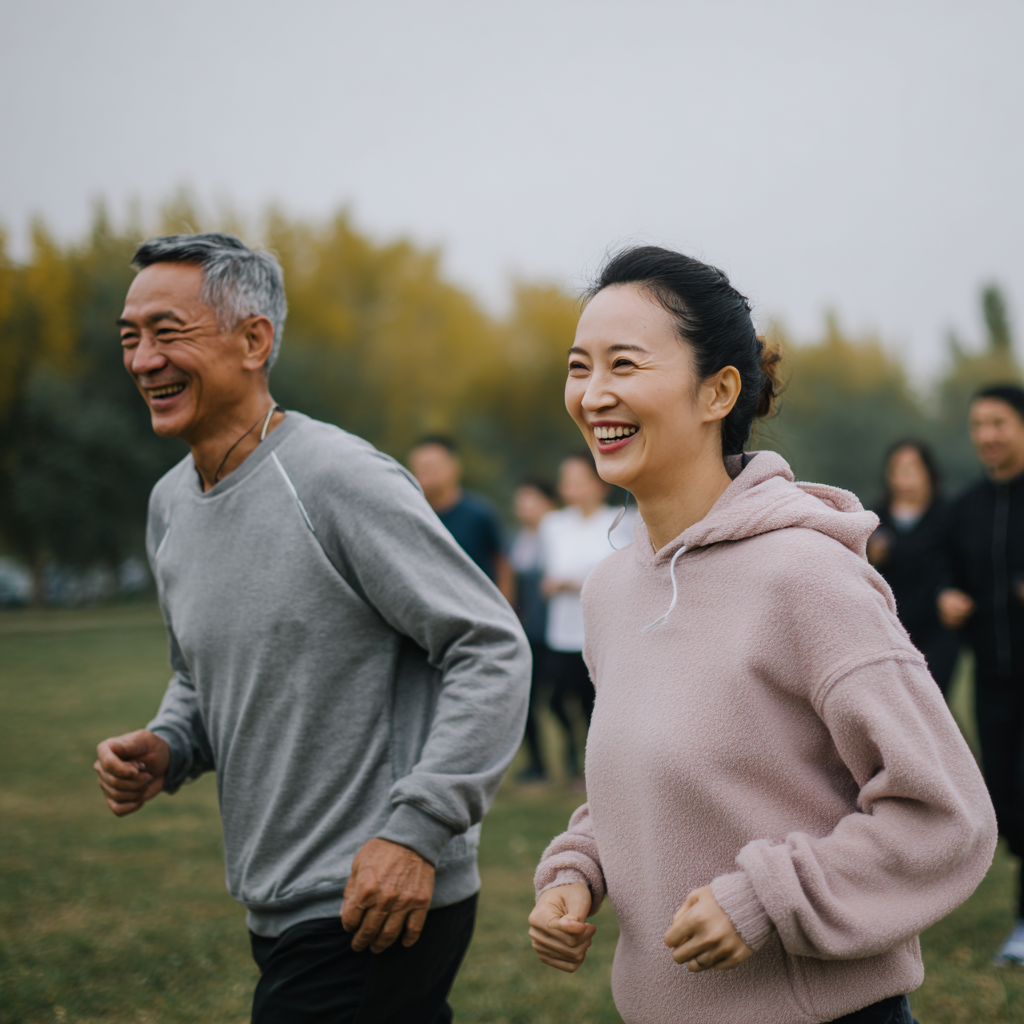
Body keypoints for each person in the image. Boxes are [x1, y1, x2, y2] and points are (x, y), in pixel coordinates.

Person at [527, 246, 996, 1024]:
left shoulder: (807, 577)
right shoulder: (612, 589)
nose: (594, 394)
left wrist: (766, 899)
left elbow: (946, 813)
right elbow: (652, 782)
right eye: (580, 367)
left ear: (718, 391)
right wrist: (578, 870)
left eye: (625, 365)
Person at [92, 233, 530, 1024]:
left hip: (376, 897)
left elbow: (488, 645)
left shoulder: (337, 478)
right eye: (131, 337)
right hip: (281, 899)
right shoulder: (169, 507)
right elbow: (196, 673)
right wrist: (168, 743)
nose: (143, 360)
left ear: (254, 340)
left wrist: (415, 830)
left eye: (167, 332)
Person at [938, 384, 1024, 966]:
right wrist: (947, 594)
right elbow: (941, 569)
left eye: (998, 422)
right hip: (993, 678)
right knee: (1008, 800)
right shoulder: (965, 507)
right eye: (978, 425)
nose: (987, 435)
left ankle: (1021, 923)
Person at [537, 452, 633, 783]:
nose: (570, 487)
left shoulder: (622, 520)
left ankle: (596, 770)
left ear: (599, 483)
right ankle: (571, 754)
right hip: (561, 630)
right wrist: (553, 584)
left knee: (596, 703)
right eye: (566, 480)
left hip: (601, 631)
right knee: (557, 701)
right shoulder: (553, 524)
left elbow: (624, 572)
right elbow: (549, 572)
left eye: (578, 479)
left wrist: (574, 581)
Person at [867, 440, 959, 695]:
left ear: (929, 473)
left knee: (933, 699)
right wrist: (871, 555)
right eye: (896, 469)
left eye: (912, 468)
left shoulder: (948, 516)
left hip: (938, 630)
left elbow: (962, 565)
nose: (903, 477)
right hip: (890, 631)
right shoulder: (874, 519)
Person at [409, 436, 515, 602]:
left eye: (431, 467)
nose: (424, 475)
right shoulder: (411, 516)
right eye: (419, 468)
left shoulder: (479, 514)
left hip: (479, 611)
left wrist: (505, 609)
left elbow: (503, 564)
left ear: (454, 467)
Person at [509, 478, 559, 782]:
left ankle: (572, 761)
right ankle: (536, 764)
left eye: (530, 499)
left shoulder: (559, 536)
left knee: (561, 698)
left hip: (555, 632)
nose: (523, 505)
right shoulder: (516, 538)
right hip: (526, 631)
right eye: (521, 499)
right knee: (525, 700)